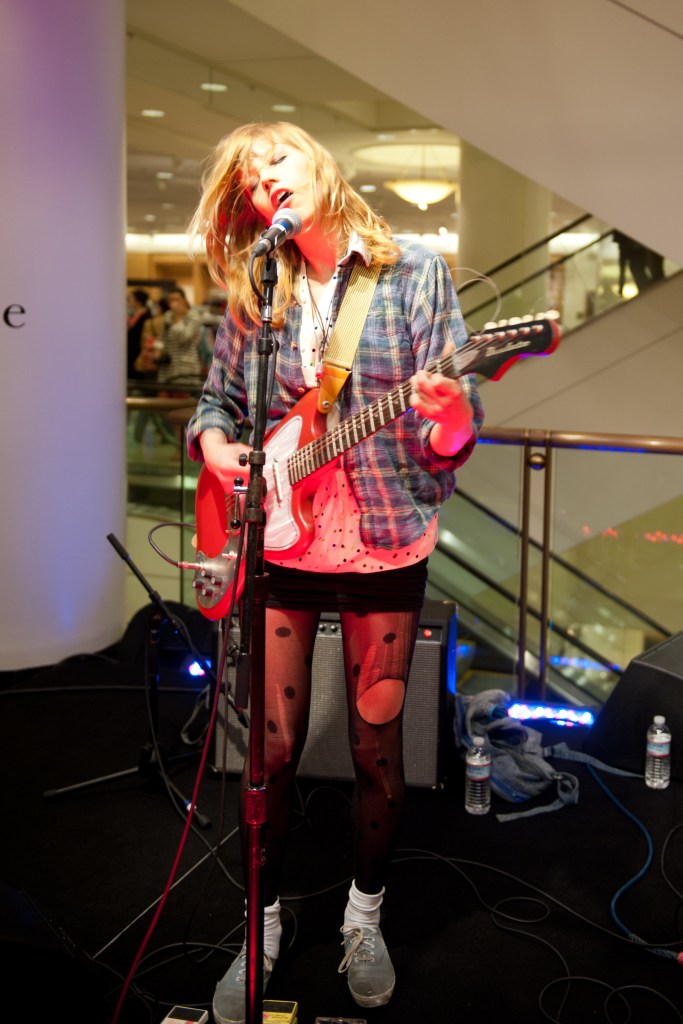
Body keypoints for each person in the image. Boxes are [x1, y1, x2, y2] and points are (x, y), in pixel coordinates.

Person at [185, 121, 484, 1024]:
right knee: (267, 750)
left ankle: (363, 918)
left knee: (374, 743)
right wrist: (219, 447)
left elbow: (446, 446)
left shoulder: (415, 272)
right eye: (248, 177)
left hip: (384, 541)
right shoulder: (258, 290)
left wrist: (454, 418)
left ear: (318, 163)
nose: (264, 179)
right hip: (279, 542)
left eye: (275, 158)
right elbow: (217, 401)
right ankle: (261, 925)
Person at [155, 286, 205, 393]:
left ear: (184, 300)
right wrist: (157, 351)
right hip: (167, 368)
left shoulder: (194, 316)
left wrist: (178, 318)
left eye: (176, 299)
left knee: (181, 403)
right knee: (164, 402)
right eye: (171, 300)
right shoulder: (168, 316)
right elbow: (162, 338)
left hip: (185, 369)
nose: (174, 303)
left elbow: (185, 337)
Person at [613, 230, 665, 295]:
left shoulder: (641, 248)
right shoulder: (626, 252)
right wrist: (621, 288)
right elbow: (622, 270)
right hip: (646, 283)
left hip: (654, 280)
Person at [126, 288, 150, 381]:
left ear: (138, 301)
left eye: (131, 298)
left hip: (139, 349)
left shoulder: (146, 315)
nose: (129, 301)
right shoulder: (131, 314)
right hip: (130, 350)